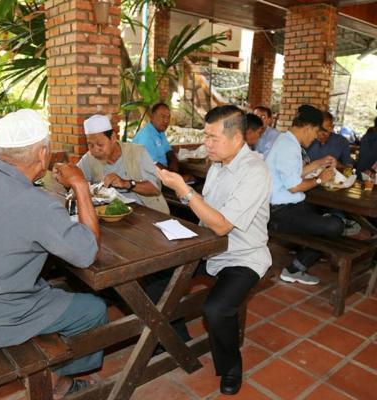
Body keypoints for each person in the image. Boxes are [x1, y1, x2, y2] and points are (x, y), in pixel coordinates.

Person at [0, 109, 108, 399]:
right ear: (43, 153)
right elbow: (88, 253)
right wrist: (80, 186)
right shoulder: (37, 204)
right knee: (94, 309)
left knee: (54, 285)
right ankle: (59, 383)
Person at [157, 105, 272, 396]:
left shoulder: (255, 171)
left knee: (217, 309)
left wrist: (184, 190)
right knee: (155, 277)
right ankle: (174, 336)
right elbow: (207, 215)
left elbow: (221, 225)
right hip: (209, 248)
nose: (206, 143)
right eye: (205, 136)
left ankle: (231, 367)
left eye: (213, 138)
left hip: (242, 256)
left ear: (237, 139)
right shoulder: (218, 164)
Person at [266, 105, 345, 285]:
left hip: (287, 208)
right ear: (309, 127)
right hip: (280, 213)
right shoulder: (288, 146)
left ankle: (297, 265)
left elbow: (294, 174)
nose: (316, 136)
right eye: (316, 131)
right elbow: (294, 186)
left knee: (326, 220)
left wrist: (319, 163)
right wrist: (320, 179)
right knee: (335, 227)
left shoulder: (287, 141)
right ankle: (295, 269)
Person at [77, 114, 169, 213]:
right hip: (110, 213)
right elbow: (74, 177)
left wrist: (125, 183)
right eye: (90, 145)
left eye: (100, 144)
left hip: (146, 212)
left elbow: (155, 189)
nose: (95, 150)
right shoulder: (89, 159)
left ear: (113, 138)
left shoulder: (137, 152)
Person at [132, 102, 179, 172]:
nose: (166, 121)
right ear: (152, 117)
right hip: (150, 175)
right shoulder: (146, 136)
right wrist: (174, 176)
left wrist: (173, 162)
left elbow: (168, 151)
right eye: (163, 116)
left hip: (163, 172)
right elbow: (153, 166)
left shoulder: (160, 131)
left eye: (168, 117)